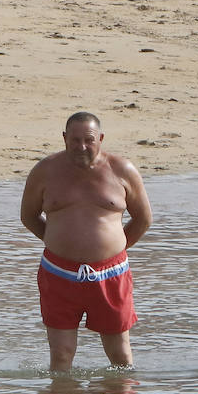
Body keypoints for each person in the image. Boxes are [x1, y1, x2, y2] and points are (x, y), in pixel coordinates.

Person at [21, 111, 153, 372]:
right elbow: (28, 216)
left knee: (120, 357)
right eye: (75, 140)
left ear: (101, 138)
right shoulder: (45, 171)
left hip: (111, 274)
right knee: (61, 357)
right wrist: (58, 241)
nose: (82, 146)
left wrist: (113, 247)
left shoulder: (122, 170)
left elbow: (143, 219)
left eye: (89, 140)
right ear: (64, 138)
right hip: (58, 273)